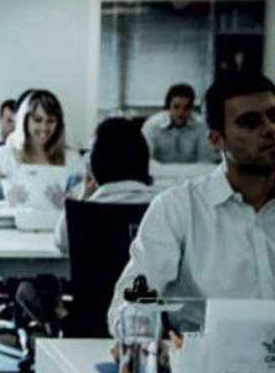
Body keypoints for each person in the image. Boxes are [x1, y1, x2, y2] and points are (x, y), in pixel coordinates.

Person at [108, 71, 275, 336]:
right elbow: (130, 306)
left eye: (274, 116)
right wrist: (140, 338)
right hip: (208, 357)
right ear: (216, 140)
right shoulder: (178, 209)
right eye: (250, 122)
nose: (270, 129)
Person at [54, 118, 160, 252]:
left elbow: (61, 242)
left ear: (93, 165)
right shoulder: (163, 207)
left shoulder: (79, 214)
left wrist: (83, 196)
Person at [0, 89, 82, 208]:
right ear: (25, 120)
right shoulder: (2, 157)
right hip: (15, 220)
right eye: (38, 120)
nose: (44, 127)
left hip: (55, 220)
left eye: (51, 121)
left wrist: (67, 205)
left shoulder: (72, 159)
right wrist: (7, 205)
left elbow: (85, 206)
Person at [141, 83, 216, 163]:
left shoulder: (201, 126)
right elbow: (145, 159)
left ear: (192, 108)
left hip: (192, 170)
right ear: (168, 107)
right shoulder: (152, 125)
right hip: (159, 170)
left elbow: (205, 161)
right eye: (176, 107)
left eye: (186, 108)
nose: (181, 113)